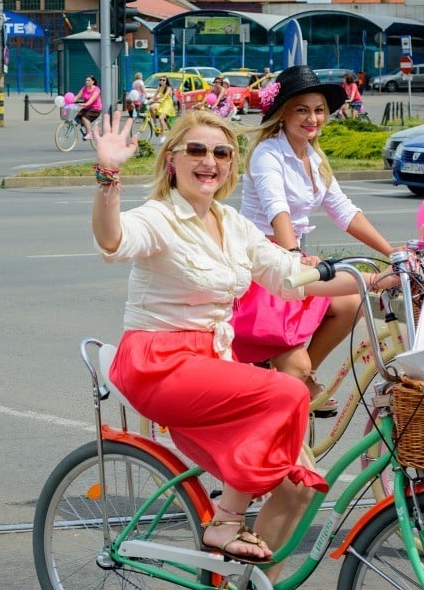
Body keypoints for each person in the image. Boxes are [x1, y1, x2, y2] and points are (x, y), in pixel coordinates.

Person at [90, 108, 395, 576]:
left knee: (300, 486)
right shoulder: (159, 217)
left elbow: (292, 277)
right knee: (289, 390)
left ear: (232, 165)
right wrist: (109, 176)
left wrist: (376, 280)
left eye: (221, 152)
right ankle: (227, 519)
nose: (208, 160)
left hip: (212, 364)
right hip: (158, 363)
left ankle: (247, 583)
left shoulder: (232, 225)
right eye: (195, 150)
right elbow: (113, 240)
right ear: (171, 160)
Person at [236, 65, 398, 415]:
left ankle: (298, 378)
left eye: (320, 110)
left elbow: (344, 211)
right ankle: (293, 379)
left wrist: (391, 251)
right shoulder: (268, 153)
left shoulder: (313, 157)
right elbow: (276, 206)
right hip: (263, 264)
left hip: (293, 259)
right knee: (294, 368)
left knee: (353, 302)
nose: (313, 118)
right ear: (283, 114)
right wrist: (293, 253)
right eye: (302, 110)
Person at [148, 75, 176, 142]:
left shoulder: (168, 88)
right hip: (161, 103)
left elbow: (165, 96)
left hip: (168, 104)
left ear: (166, 81)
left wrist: (161, 99)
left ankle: (163, 136)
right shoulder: (159, 88)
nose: (162, 81)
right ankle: (155, 124)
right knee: (151, 107)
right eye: (160, 80)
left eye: (164, 80)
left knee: (161, 118)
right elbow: (154, 97)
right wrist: (149, 100)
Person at [75, 75, 102, 140]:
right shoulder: (84, 88)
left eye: (89, 80)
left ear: (93, 82)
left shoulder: (96, 89)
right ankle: (88, 129)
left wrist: (84, 104)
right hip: (87, 108)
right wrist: (69, 101)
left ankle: (89, 134)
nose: (87, 81)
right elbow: (77, 97)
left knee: (85, 118)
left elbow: (91, 100)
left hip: (96, 109)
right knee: (77, 118)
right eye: (86, 80)